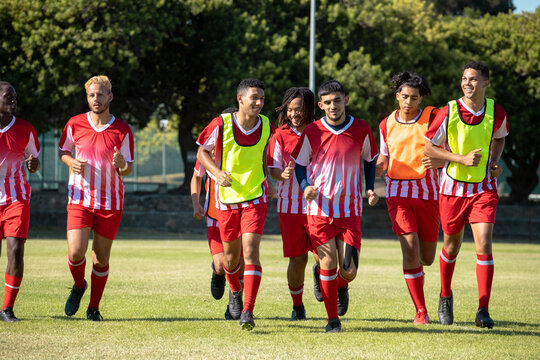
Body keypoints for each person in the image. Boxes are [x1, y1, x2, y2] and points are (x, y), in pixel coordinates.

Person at [424, 61, 508, 328]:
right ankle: (445, 295)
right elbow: (428, 149)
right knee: (451, 246)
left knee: (484, 244)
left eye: (473, 79)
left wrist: (494, 162)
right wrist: (460, 158)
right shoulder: (448, 110)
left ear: (485, 83)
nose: (467, 83)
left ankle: (483, 309)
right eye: (464, 79)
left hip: (483, 189)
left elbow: (500, 136)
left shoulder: (497, 111)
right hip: (452, 189)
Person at [293, 80, 379, 332]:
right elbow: (299, 164)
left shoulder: (362, 129)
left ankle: (334, 283)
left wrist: (370, 188)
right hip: (319, 210)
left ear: (346, 100)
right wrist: (305, 186)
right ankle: (333, 320)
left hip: (350, 211)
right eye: (327, 102)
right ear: (320, 105)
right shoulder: (313, 131)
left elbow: (370, 160)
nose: (333, 106)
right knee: (329, 261)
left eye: (337, 101)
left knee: (349, 271)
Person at [196, 78, 274, 330]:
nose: (259, 103)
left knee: (250, 251)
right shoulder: (221, 124)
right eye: (254, 98)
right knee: (230, 261)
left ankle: (248, 311)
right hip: (226, 201)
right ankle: (235, 291)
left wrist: (268, 179)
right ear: (240, 98)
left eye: (262, 98)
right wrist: (216, 173)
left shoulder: (266, 125)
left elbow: (263, 154)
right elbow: (202, 152)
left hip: (255, 197)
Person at [58, 75, 134, 321]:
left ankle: (93, 308)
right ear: (87, 97)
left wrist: (122, 164)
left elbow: (128, 169)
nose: (96, 99)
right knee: (76, 252)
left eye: (101, 94)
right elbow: (63, 151)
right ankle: (79, 285)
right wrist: (71, 161)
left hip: (110, 202)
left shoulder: (122, 129)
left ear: (110, 96)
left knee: (101, 258)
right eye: (92, 95)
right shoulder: (75, 124)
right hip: (80, 198)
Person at [376, 72, 442, 325]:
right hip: (397, 194)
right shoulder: (386, 124)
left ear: (421, 98)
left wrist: (439, 159)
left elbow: (449, 149)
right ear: (397, 97)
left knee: (426, 257)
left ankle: (421, 280)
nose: (408, 102)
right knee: (410, 248)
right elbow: (383, 157)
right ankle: (421, 310)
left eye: (414, 98)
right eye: (404, 97)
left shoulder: (434, 118)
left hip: (428, 194)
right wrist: (376, 171)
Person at [267, 87, 321, 320]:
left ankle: (322, 274)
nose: (294, 114)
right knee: (297, 258)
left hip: (320, 205)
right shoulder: (279, 135)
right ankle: (297, 306)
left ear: (309, 108)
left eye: (298, 109)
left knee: (324, 255)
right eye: (290, 109)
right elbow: (273, 170)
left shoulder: (321, 131)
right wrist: (283, 175)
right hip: (289, 207)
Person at [190, 107, 242, 320]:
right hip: (214, 216)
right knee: (222, 264)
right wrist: (196, 204)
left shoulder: (244, 151)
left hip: (241, 214)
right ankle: (217, 272)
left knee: (240, 262)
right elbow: (196, 179)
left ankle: (234, 303)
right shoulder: (208, 156)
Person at [0, 82, 40, 322]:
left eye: (15, 96)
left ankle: (7, 308)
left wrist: (33, 165)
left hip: (17, 199)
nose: (14, 100)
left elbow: (33, 161)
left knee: (15, 251)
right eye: (8, 96)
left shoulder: (25, 128)